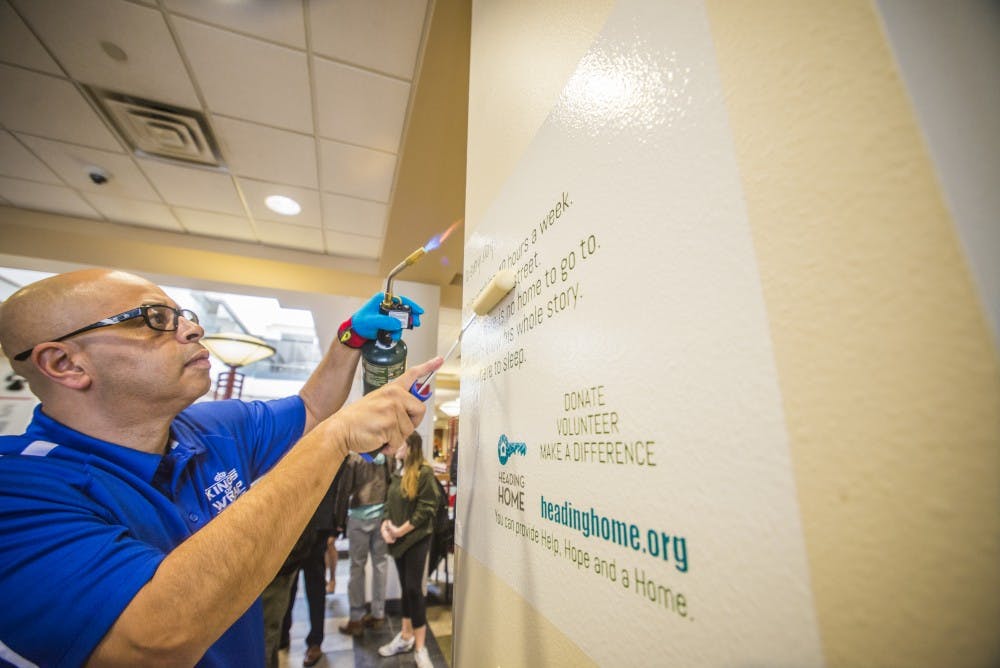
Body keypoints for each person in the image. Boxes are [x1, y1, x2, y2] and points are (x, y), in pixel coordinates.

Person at [0, 268, 442, 667]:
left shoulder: (210, 428)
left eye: (183, 314)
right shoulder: (19, 493)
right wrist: (334, 439)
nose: (194, 329)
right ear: (65, 363)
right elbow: (154, 640)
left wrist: (350, 339)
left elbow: (310, 408)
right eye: (155, 318)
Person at [262, 474, 340, 668]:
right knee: (286, 585)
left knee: (315, 588)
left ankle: (315, 642)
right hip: (290, 526)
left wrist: (334, 527)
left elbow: (337, 484)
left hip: (318, 527)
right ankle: (282, 634)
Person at [378, 431, 441, 668]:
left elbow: (426, 509)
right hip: (398, 540)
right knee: (406, 588)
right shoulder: (397, 473)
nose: (396, 447)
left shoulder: (424, 473)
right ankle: (405, 636)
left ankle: (420, 647)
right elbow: (388, 503)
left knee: (414, 590)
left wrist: (399, 531)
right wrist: (386, 525)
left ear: (411, 446)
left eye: (400, 443)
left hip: (415, 540)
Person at [333, 450, 393, 636]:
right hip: (381, 515)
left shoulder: (355, 457)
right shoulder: (387, 456)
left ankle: (356, 618)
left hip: (359, 517)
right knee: (380, 565)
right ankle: (378, 614)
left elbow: (344, 490)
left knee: (356, 568)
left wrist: (338, 521)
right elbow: (390, 483)